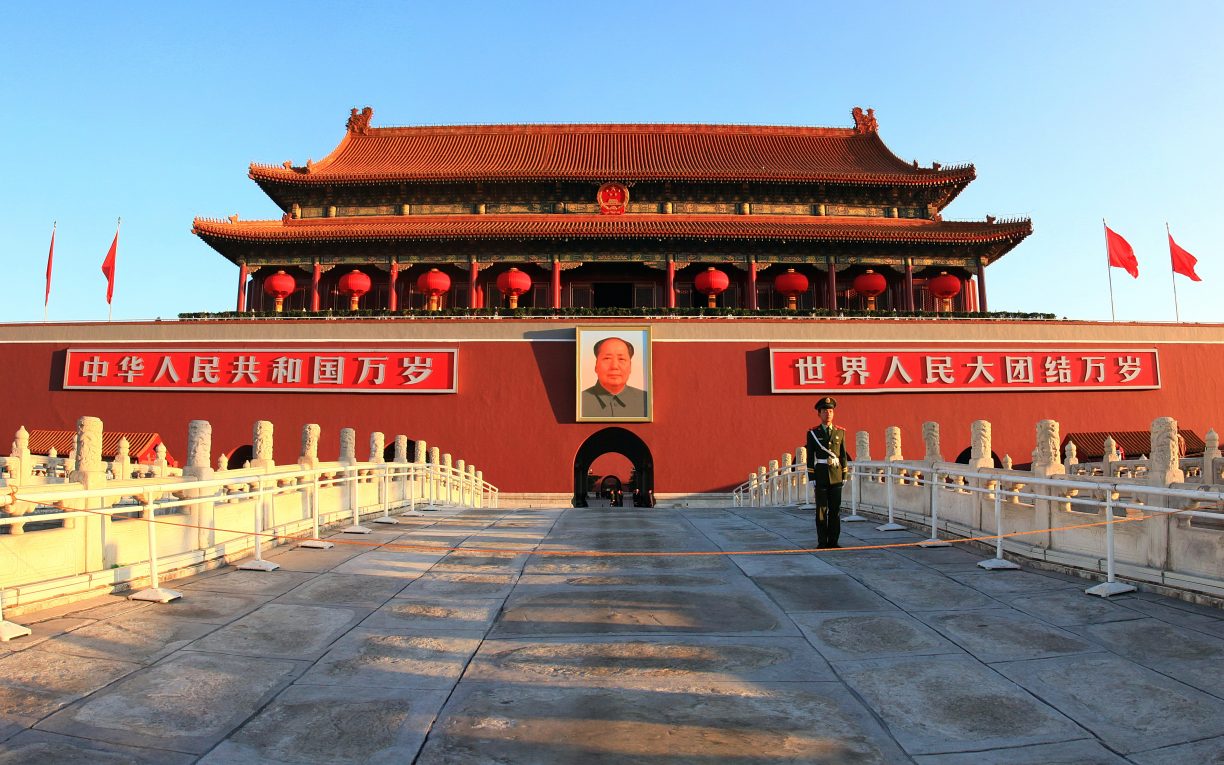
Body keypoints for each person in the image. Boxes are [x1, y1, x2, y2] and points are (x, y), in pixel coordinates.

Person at [806, 396, 850, 548]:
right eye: (825, 411)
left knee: (835, 510)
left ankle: (834, 541)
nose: (828, 414)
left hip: (836, 476)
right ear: (819, 414)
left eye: (830, 411)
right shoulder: (813, 433)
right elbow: (810, 456)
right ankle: (822, 541)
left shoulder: (840, 432)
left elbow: (843, 455)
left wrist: (845, 474)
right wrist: (812, 476)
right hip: (821, 475)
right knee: (821, 510)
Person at [580, 336, 648, 418]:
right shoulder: (580, 401)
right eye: (607, 358)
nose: (614, 366)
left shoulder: (646, 400)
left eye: (621, 359)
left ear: (630, 366)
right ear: (596, 366)